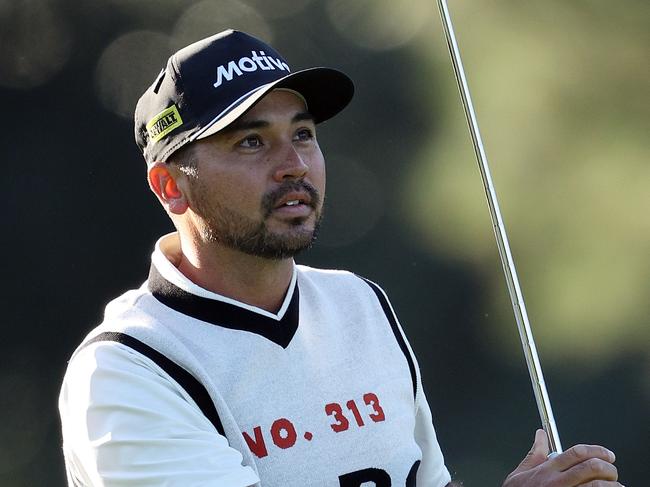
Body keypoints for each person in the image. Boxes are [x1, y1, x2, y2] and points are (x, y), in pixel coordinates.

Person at [58, 29, 622, 487]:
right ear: (170, 187)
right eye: (251, 142)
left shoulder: (359, 302)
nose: (294, 165)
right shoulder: (125, 372)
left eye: (302, 133)